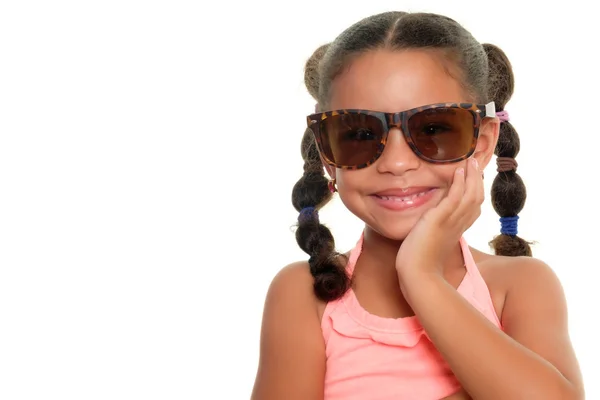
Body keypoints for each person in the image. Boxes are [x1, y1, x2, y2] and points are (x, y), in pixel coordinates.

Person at [250, 11, 584, 400]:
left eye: (433, 129)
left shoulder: (520, 286)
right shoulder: (305, 297)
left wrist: (421, 276)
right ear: (326, 152)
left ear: (483, 142)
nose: (396, 163)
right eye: (359, 134)